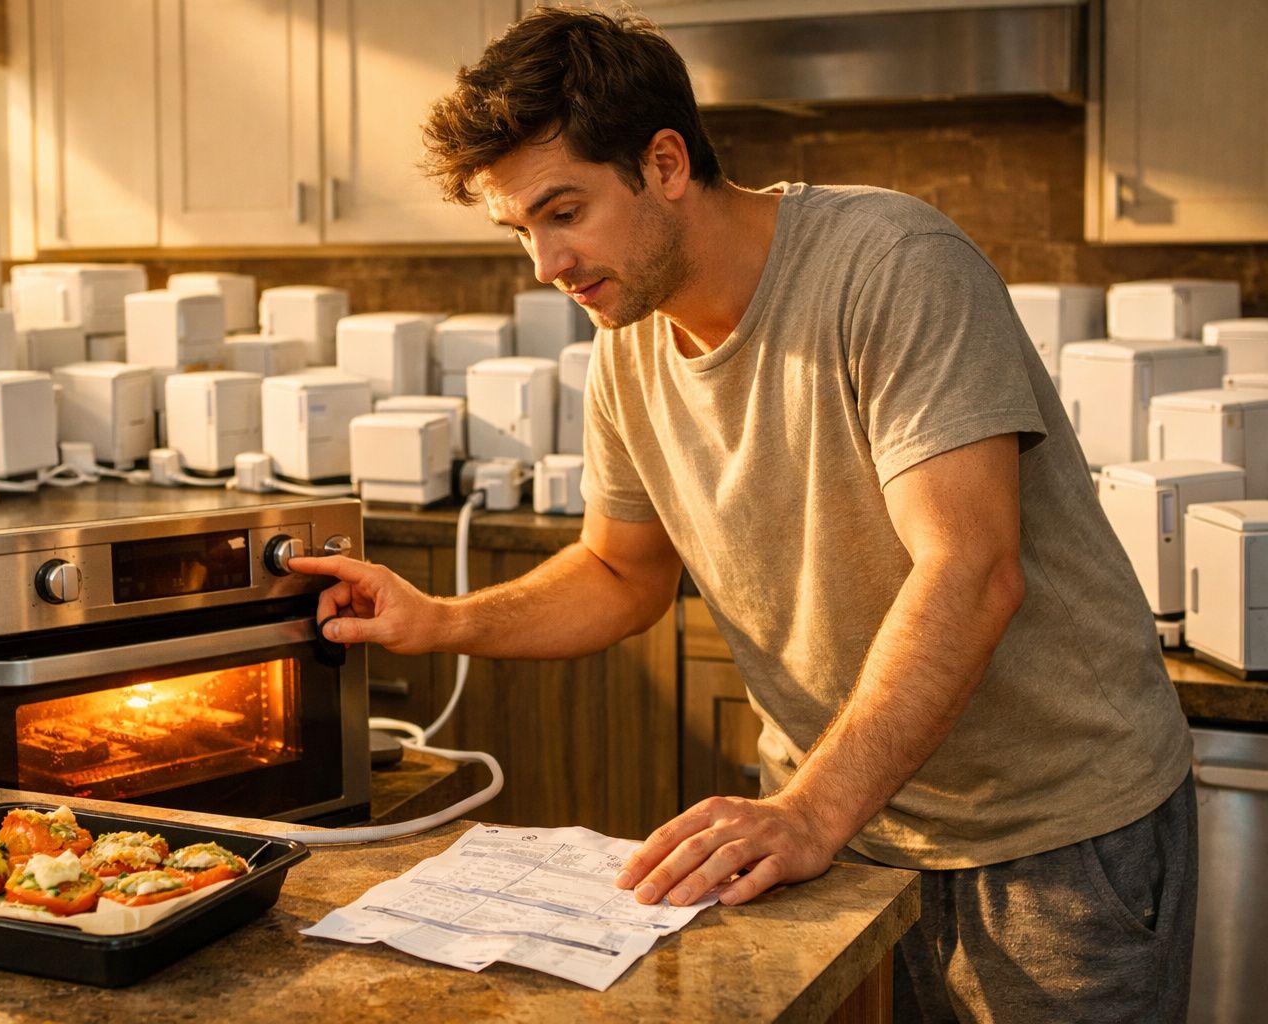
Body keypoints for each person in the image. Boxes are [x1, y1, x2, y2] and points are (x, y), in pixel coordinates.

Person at [290, 7, 1198, 1020]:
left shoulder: (893, 264)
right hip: (843, 836)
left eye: (564, 211)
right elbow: (620, 573)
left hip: (1053, 838)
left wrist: (809, 810)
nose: (545, 263)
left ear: (665, 163)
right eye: (521, 231)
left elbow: (971, 568)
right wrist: (442, 620)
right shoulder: (627, 344)